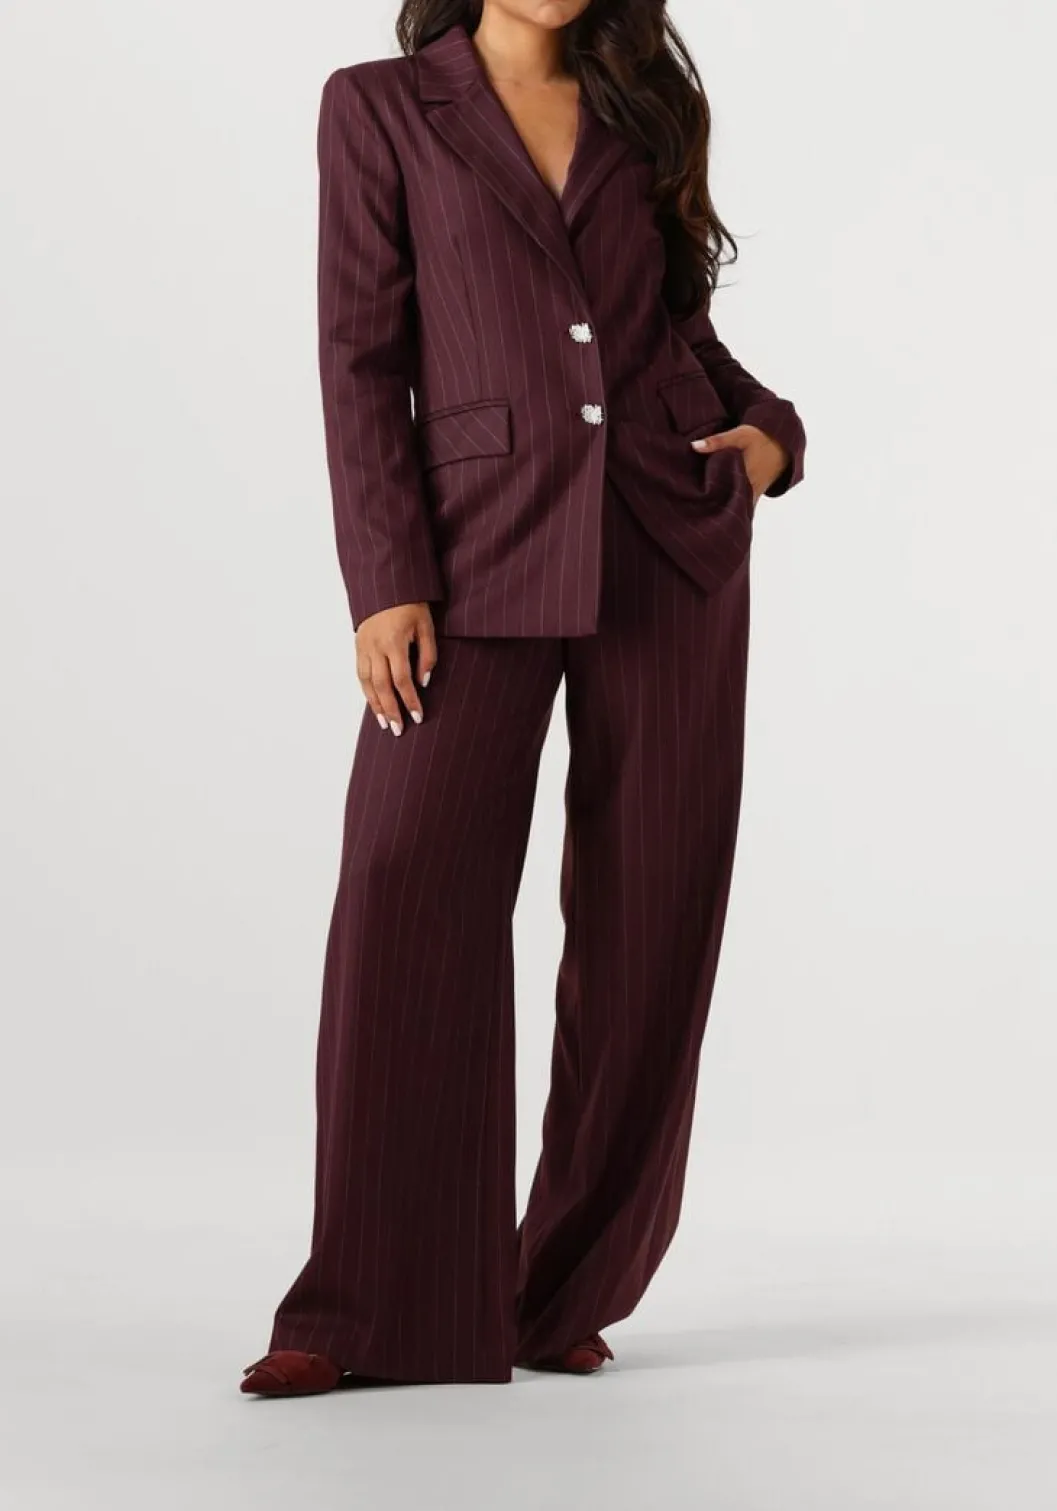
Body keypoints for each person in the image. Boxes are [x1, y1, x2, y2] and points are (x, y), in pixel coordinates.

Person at [241, 0, 806, 1396]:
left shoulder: (646, 106)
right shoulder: (378, 107)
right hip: (471, 553)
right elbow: (360, 357)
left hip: (667, 539)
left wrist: (770, 437)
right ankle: (365, 1309)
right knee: (406, 895)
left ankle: (560, 1290)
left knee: (650, 918)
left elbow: (676, 325)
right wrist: (385, 577)